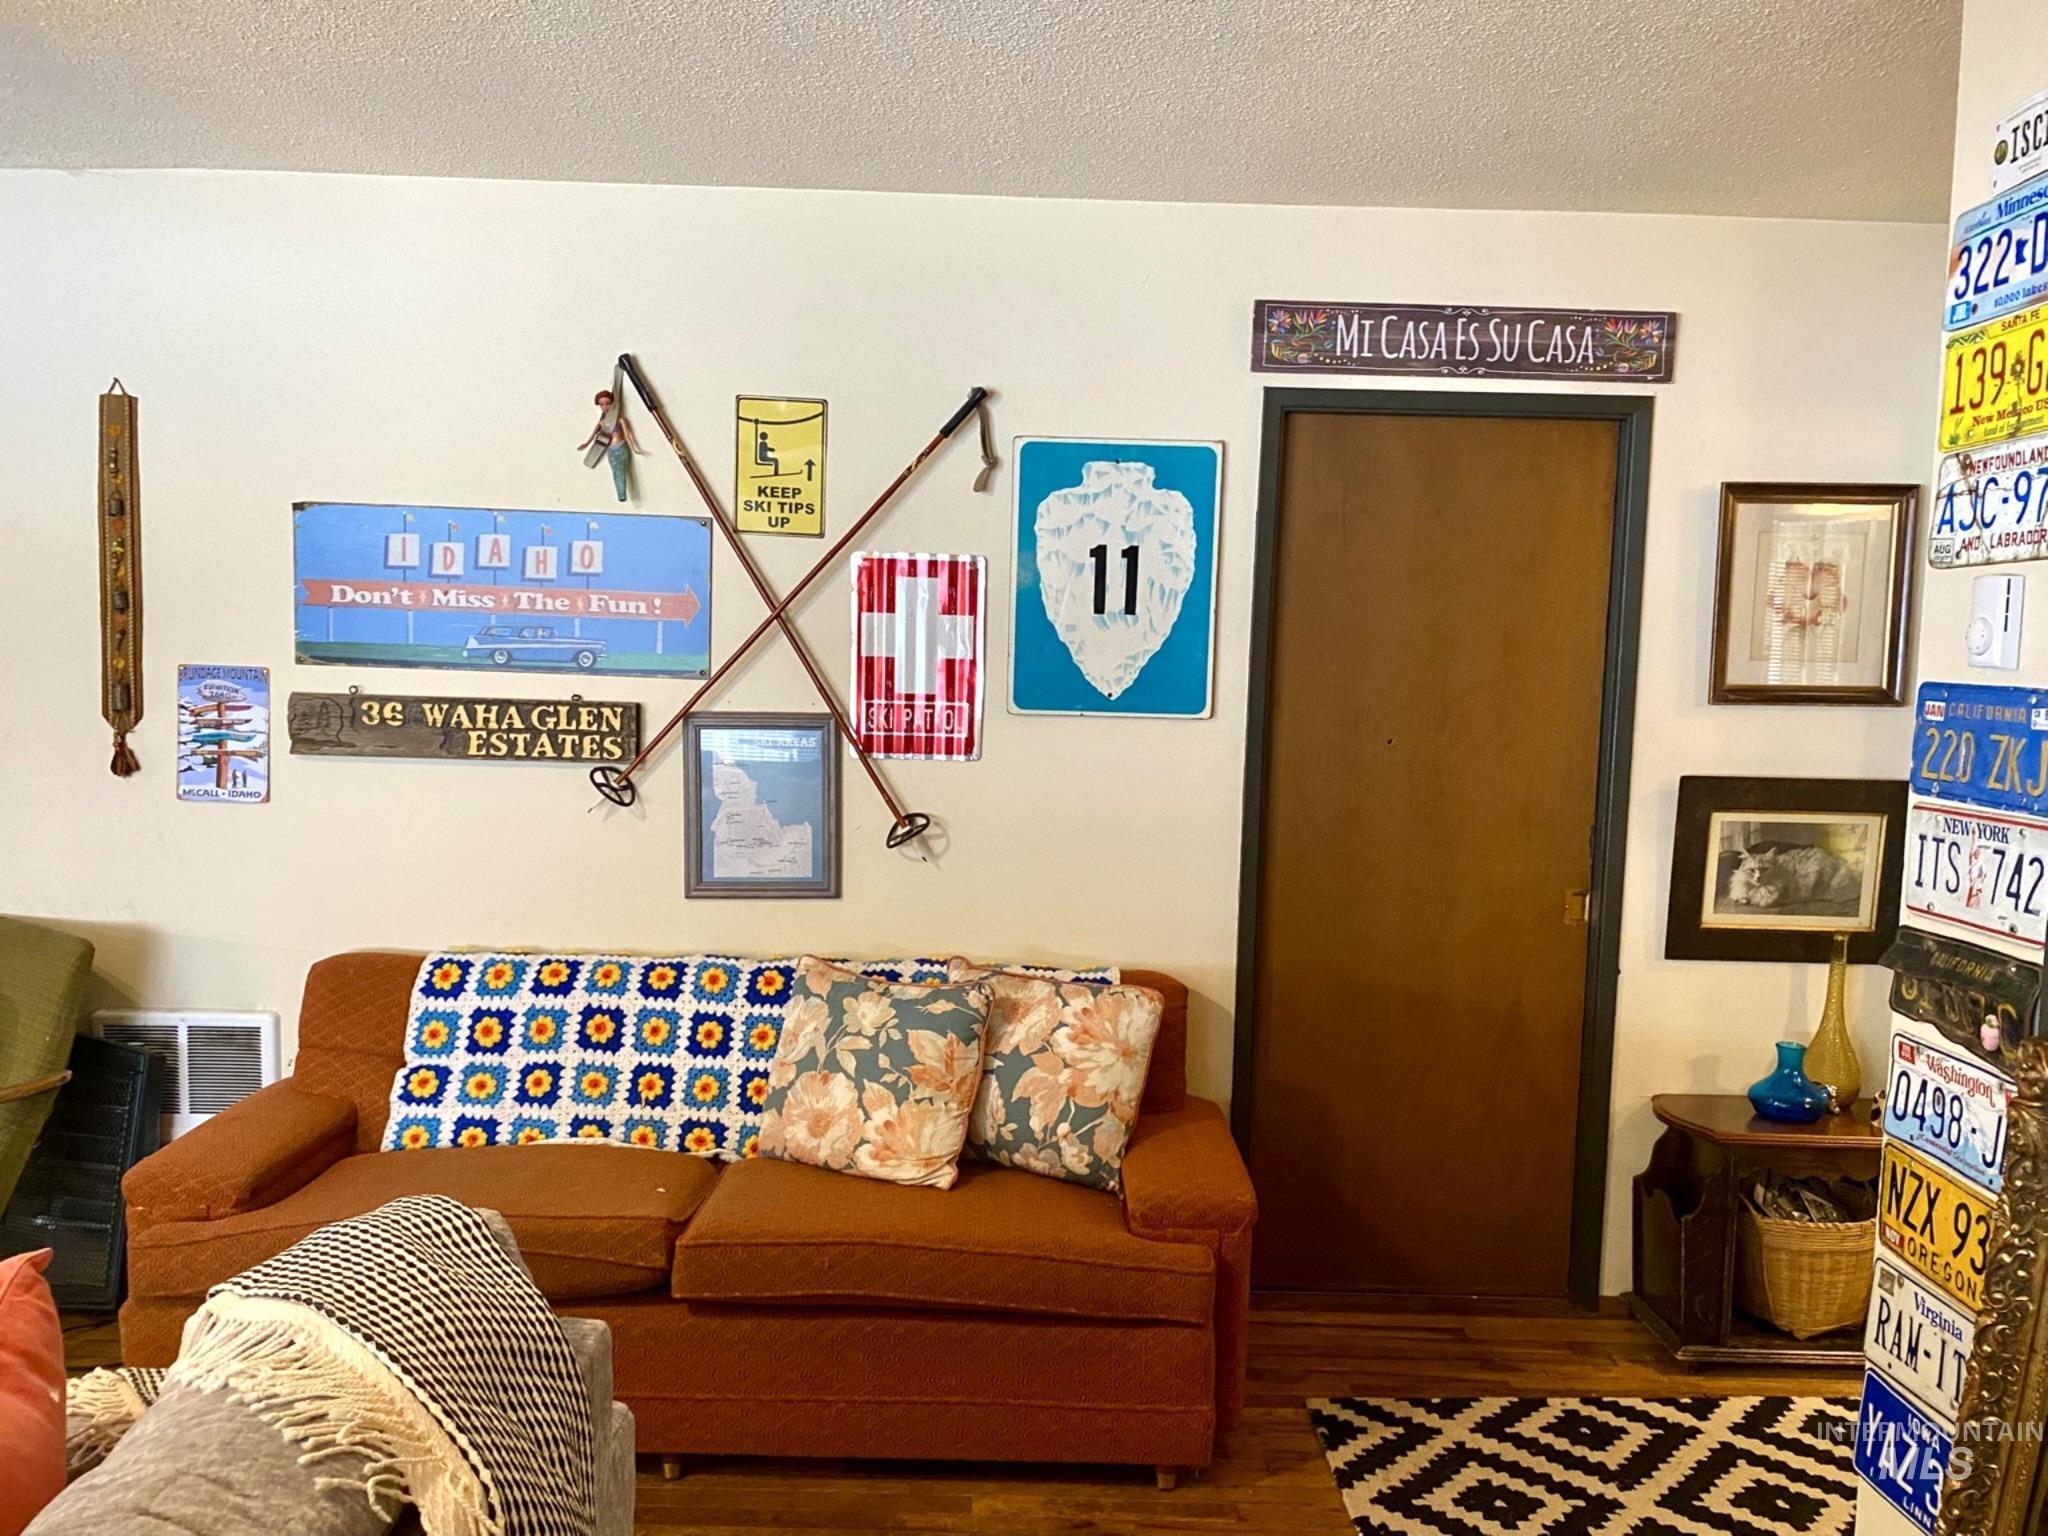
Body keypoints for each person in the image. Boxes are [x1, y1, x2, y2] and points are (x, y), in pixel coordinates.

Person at [578, 383, 641, 502]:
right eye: (601, 404)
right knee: (616, 473)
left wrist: (634, 447)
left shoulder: (620, 419)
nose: (605, 406)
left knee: (621, 471)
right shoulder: (602, 422)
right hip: (611, 450)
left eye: (607, 403)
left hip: (621, 447)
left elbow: (628, 435)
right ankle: (621, 494)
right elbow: (593, 435)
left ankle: (622, 494)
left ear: (612, 403)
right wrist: (586, 444)